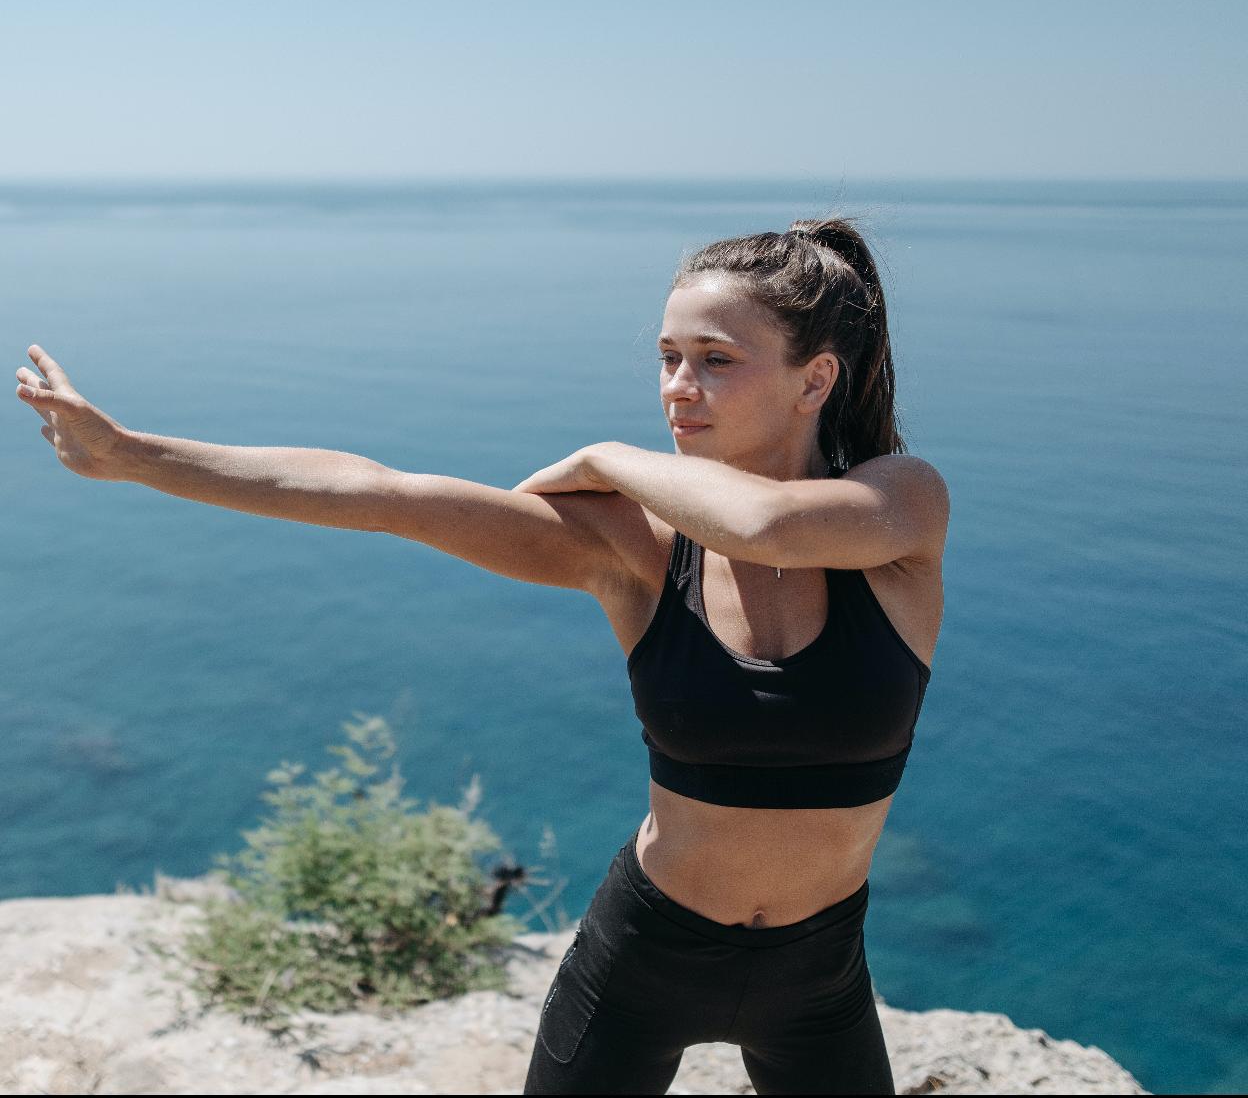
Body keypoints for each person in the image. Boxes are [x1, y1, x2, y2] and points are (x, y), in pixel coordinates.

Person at [15, 216, 948, 1095]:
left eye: (715, 360)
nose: (677, 386)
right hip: (645, 957)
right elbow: (384, 495)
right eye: (667, 357)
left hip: (817, 977)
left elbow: (766, 524)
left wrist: (607, 458)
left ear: (815, 380)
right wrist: (131, 455)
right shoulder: (636, 549)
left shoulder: (902, 509)